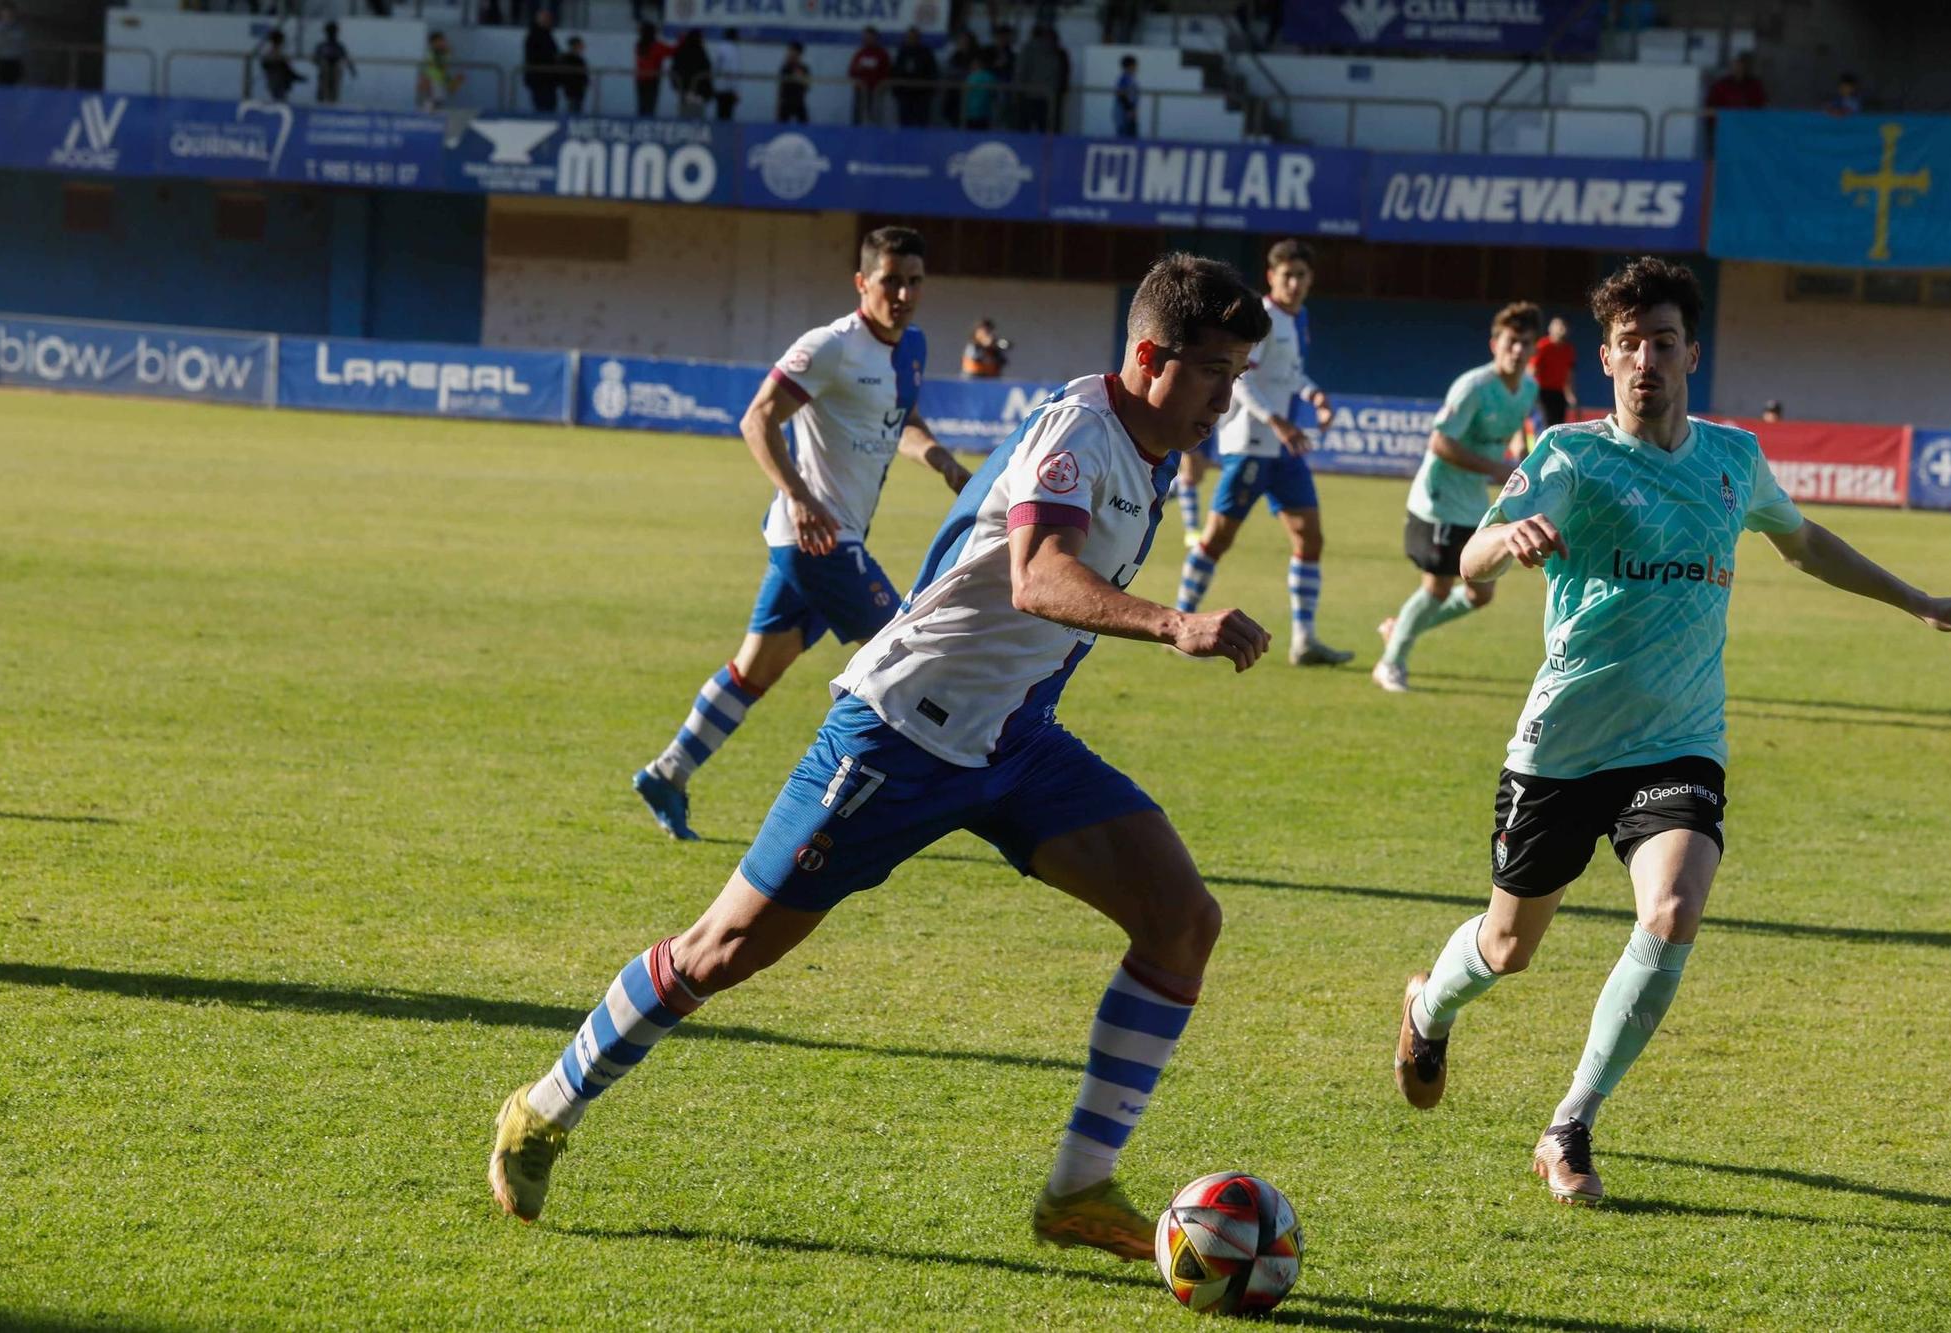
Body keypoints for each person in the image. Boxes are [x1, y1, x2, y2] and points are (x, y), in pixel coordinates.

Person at [491, 254, 1277, 1264]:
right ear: (1147, 358)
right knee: (721, 950)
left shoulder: (1152, 448)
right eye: (1214, 371)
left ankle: (1077, 1189)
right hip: (899, 732)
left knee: (1180, 921)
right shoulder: (1076, 433)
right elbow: (1039, 577)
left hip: (1011, 739)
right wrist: (1173, 623)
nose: (1225, 398)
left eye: (1237, 376)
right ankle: (543, 1106)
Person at [1391, 256, 1951, 1205]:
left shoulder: (1733, 459)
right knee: (1508, 947)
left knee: (1672, 908)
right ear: (1606, 360)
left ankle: (1569, 1122)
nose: (1646, 358)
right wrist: (1509, 541)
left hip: (1680, 739)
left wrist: (1915, 601)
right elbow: (1476, 551)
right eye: (1628, 345)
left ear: (1691, 351)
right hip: (1565, 744)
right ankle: (1428, 1003)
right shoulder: (1571, 456)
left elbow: (1806, 541)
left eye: (1663, 341)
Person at [629, 227, 973, 842]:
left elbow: (902, 420)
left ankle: (668, 773)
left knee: (754, 671)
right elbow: (758, 417)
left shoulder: (911, 347)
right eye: (890, 281)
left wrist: (942, 461)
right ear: (862, 282)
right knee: (905, 658)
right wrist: (799, 495)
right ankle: (885, 809)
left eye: (913, 281)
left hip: (827, 541)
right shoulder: (830, 347)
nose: (903, 294)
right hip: (818, 539)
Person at [1175, 239, 1352, 667]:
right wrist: (1279, 422)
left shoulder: (1298, 318)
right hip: (1253, 445)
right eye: (1286, 275)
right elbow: (1244, 379)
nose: (1294, 283)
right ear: (1272, 277)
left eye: (1302, 276)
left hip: (1286, 452)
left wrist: (1314, 394)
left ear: (1310, 280)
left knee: (1310, 539)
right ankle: (1178, 626)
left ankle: (1304, 641)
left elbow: (1288, 374)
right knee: (1217, 539)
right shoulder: (1266, 318)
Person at [1373, 302, 1540, 692]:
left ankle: (1399, 631)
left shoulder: (1528, 388)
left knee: (1481, 593)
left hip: (1474, 503)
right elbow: (1440, 442)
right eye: (1511, 341)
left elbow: (1511, 429)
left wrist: (1517, 451)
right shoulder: (1473, 387)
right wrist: (1496, 469)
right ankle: (1391, 662)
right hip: (1438, 500)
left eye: (1526, 343)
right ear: (1494, 343)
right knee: (1438, 589)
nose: (1517, 350)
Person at [1529, 316, 1578, 428]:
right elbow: (1532, 369)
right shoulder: (1543, 346)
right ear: (1550, 329)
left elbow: (1570, 374)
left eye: (1563, 326)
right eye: (1558, 326)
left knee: (1558, 425)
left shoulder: (1569, 350)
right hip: (1542, 392)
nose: (1561, 329)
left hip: (1559, 393)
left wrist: (1570, 394)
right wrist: (1529, 390)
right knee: (1545, 423)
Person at [1013, 22, 1060, 132]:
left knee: (1023, 129)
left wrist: (1017, 92)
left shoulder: (1028, 49)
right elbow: (1055, 74)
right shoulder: (1053, 51)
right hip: (1046, 95)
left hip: (1028, 94)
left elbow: (1021, 72)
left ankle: (1024, 148)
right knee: (1045, 129)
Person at [892, 26, 939, 128]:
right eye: (909, 37)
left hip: (921, 95)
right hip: (905, 94)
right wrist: (897, 90)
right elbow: (896, 71)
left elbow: (932, 71)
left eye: (914, 37)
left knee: (920, 123)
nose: (911, 39)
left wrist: (929, 91)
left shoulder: (926, 52)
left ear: (918, 38)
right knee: (905, 123)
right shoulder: (902, 52)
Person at [848, 26, 891, 126]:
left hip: (876, 91)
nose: (866, 40)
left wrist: (880, 85)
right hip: (861, 91)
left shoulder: (882, 54)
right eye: (865, 37)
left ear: (875, 38)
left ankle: (875, 136)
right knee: (858, 116)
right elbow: (851, 72)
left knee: (875, 116)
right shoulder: (860, 53)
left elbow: (887, 73)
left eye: (869, 37)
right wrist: (857, 69)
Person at [634, 21, 675, 118]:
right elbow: (672, 51)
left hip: (640, 78)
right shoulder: (656, 46)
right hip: (652, 79)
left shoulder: (639, 45)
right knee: (650, 106)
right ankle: (647, 123)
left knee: (642, 105)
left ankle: (641, 122)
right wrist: (682, 39)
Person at [523, 9, 561, 113]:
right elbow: (537, 56)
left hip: (547, 79)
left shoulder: (546, 35)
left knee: (548, 106)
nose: (548, 21)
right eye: (546, 19)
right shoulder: (534, 36)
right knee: (543, 106)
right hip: (540, 78)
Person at [670, 29, 713, 119]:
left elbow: (674, 69)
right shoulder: (700, 51)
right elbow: (707, 69)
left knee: (685, 116)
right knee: (696, 117)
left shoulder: (681, 50)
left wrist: (677, 85)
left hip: (683, 89)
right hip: (698, 90)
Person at [312, 22, 356, 106]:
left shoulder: (339, 46)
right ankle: (324, 100)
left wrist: (351, 69)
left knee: (334, 84)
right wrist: (322, 63)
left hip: (335, 71)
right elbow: (315, 59)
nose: (332, 34)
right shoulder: (322, 46)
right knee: (324, 84)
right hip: (325, 71)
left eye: (334, 32)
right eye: (330, 32)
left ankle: (332, 101)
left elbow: (346, 58)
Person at [417, 32, 463, 111]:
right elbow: (439, 67)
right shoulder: (431, 54)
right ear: (433, 43)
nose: (443, 43)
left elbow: (444, 70)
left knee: (438, 104)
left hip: (440, 82)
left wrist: (454, 82)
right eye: (440, 41)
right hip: (430, 82)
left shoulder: (445, 54)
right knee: (430, 104)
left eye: (443, 41)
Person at [942, 30, 979, 127]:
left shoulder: (976, 56)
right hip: (955, 95)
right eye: (961, 41)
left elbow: (977, 74)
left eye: (966, 41)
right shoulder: (955, 56)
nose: (963, 43)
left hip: (972, 96)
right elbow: (950, 73)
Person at [259, 31, 305, 103]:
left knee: (278, 100)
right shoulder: (276, 54)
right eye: (282, 40)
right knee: (279, 102)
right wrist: (298, 77)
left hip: (277, 83)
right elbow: (287, 69)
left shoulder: (271, 53)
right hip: (278, 83)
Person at [708, 27, 741, 121]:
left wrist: (713, 83)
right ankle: (723, 133)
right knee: (727, 115)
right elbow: (735, 71)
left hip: (719, 86)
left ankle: (720, 132)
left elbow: (715, 67)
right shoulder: (734, 50)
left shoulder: (720, 47)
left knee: (720, 113)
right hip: (729, 87)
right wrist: (736, 89)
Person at [0, 5, 28, 87]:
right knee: (1, 85)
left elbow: (20, 41)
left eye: (10, 15)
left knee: (15, 85)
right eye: (5, 15)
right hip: (2, 60)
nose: (7, 17)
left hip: (15, 60)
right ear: (1, 15)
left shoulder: (19, 29)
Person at [775, 42, 811, 124]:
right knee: (781, 125)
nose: (790, 53)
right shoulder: (785, 68)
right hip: (786, 103)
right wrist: (778, 107)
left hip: (799, 102)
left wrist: (800, 77)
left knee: (804, 125)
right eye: (789, 51)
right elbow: (780, 88)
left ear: (798, 53)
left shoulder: (804, 69)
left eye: (792, 51)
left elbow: (808, 86)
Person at [962, 55, 997, 131]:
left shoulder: (970, 78)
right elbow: (995, 95)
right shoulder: (990, 77)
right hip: (984, 114)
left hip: (973, 114)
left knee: (971, 136)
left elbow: (965, 96)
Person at [561, 36, 589, 113]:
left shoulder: (579, 59)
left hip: (579, 89)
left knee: (577, 107)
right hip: (572, 89)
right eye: (579, 45)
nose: (582, 47)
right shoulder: (567, 59)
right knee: (573, 107)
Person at [1113, 55, 1139, 138]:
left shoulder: (1131, 78)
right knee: (1124, 133)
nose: (1136, 68)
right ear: (1130, 66)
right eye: (1135, 65)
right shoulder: (1124, 78)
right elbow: (1121, 94)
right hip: (1124, 110)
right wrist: (1129, 109)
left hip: (1129, 110)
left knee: (1131, 132)